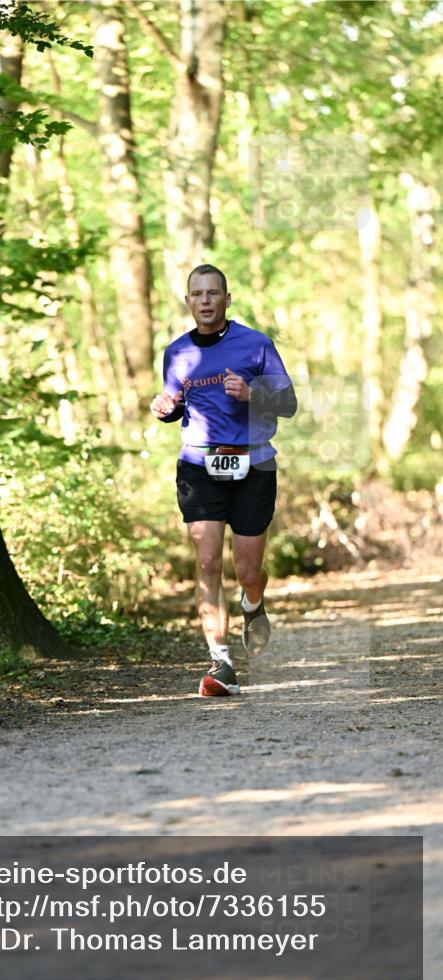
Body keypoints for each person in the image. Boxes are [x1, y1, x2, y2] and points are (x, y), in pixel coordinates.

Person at [151, 264, 297, 697]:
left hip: (253, 466)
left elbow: (288, 404)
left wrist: (253, 394)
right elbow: (178, 404)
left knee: (248, 569)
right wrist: (165, 408)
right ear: (188, 301)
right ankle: (221, 664)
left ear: (227, 299)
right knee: (209, 562)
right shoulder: (176, 352)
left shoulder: (255, 344)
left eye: (214, 293)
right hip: (200, 467)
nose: (207, 300)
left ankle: (253, 602)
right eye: (198, 294)